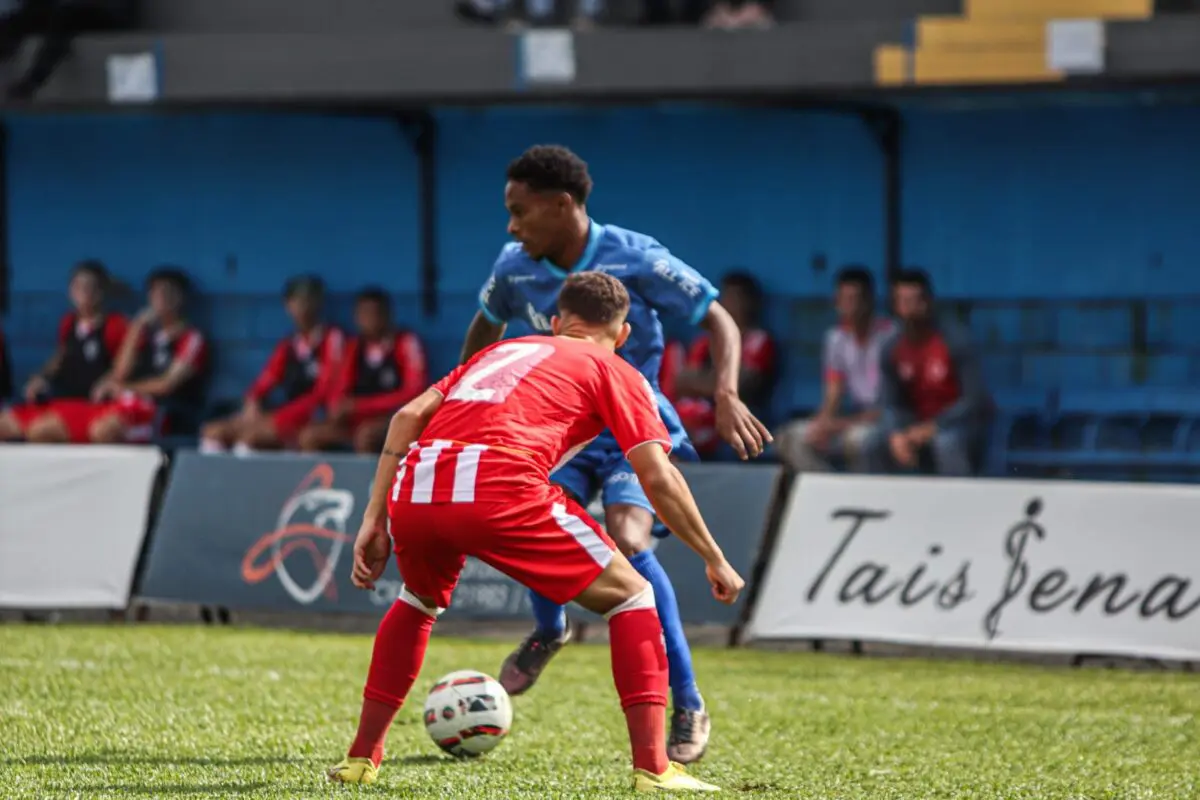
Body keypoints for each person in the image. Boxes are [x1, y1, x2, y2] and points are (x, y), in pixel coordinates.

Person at [328, 272, 740, 792]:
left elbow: (408, 415)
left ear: (556, 320)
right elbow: (657, 474)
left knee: (417, 601)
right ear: (623, 334)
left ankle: (361, 759)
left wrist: (374, 516)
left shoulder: (503, 350)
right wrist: (714, 556)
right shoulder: (614, 366)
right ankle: (654, 769)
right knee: (634, 598)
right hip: (500, 482)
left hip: (420, 482)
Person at [460, 145, 770, 763]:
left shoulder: (634, 256)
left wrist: (726, 392)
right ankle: (551, 630)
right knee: (525, 516)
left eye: (520, 212)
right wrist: (468, 391)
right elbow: (485, 323)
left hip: (634, 423)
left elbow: (719, 320)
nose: (511, 226)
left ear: (562, 205)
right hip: (559, 430)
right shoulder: (514, 267)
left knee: (628, 540)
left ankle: (687, 700)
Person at [865, 268, 990, 475]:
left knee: (946, 442)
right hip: (913, 424)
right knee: (871, 442)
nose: (910, 309)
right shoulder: (891, 347)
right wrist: (896, 433)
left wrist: (932, 427)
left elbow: (974, 400)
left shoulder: (956, 340)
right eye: (903, 302)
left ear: (929, 302)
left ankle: (958, 500)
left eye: (915, 301)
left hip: (958, 424)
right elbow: (889, 401)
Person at [200, 276, 343, 455]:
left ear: (319, 303)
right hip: (282, 416)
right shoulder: (289, 344)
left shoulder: (333, 338)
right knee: (214, 431)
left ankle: (243, 480)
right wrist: (252, 401)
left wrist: (278, 418)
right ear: (287, 306)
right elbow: (266, 380)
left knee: (251, 438)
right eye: (296, 301)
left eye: (308, 300)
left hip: (313, 418)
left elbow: (324, 392)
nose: (303, 307)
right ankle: (215, 481)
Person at [775, 266, 893, 473]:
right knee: (790, 437)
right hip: (855, 418)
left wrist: (840, 424)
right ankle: (828, 487)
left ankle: (867, 495)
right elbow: (833, 393)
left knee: (859, 440)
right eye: (845, 299)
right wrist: (822, 423)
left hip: (888, 420)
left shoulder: (889, 336)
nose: (851, 306)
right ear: (836, 301)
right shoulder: (836, 338)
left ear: (870, 301)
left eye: (857, 299)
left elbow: (888, 407)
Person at [0, 260, 128, 443]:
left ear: (102, 291)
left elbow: (123, 367)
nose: (84, 292)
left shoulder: (116, 324)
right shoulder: (68, 322)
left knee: (42, 432)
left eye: (90, 287)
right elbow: (60, 358)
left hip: (93, 406)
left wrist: (109, 381)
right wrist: (40, 378)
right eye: (78, 286)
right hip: (61, 400)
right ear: (70, 291)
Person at [297, 288, 427, 455]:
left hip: (393, 419)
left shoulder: (405, 343)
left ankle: (373, 481)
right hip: (355, 423)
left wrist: (361, 407)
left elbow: (414, 392)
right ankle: (323, 480)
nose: (369, 319)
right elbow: (338, 390)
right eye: (364, 314)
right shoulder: (352, 348)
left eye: (374, 313)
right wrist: (337, 408)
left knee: (366, 437)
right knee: (310, 436)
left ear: (387, 315)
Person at [87, 267, 207, 444]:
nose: (161, 298)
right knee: (77, 425)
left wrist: (125, 388)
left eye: (167, 292)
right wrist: (135, 328)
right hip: (133, 406)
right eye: (155, 292)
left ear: (181, 297)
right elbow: (120, 372)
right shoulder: (146, 335)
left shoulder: (192, 338)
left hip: (168, 413)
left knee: (105, 430)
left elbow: (166, 385)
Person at [673, 271, 777, 458]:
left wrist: (709, 383)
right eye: (727, 296)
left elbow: (743, 385)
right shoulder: (704, 341)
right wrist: (720, 381)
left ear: (750, 303)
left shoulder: (759, 340)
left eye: (738, 298)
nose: (731, 304)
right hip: (701, 413)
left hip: (743, 414)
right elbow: (682, 382)